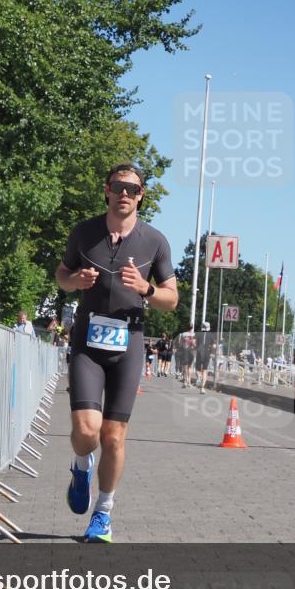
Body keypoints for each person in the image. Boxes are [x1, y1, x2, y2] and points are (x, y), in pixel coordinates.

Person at [55, 163, 178, 542]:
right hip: (87, 345)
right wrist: (75, 281)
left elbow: (171, 300)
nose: (124, 193)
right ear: (107, 191)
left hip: (129, 345)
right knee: (86, 431)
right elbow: (61, 275)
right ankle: (80, 467)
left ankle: (103, 514)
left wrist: (146, 289)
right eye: (117, 186)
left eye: (132, 188)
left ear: (141, 195)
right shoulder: (84, 233)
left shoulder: (154, 241)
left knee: (114, 436)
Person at [195, 321, 215, 393]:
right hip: (207, 353)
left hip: (199, 352)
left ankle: (199, 377)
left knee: (197, 368)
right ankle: (202, 388)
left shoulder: (197, 334)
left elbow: (194, 343)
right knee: (205, 370)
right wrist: (212, 352)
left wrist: (196, 348)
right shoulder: (212, 335)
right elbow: (213, 346)